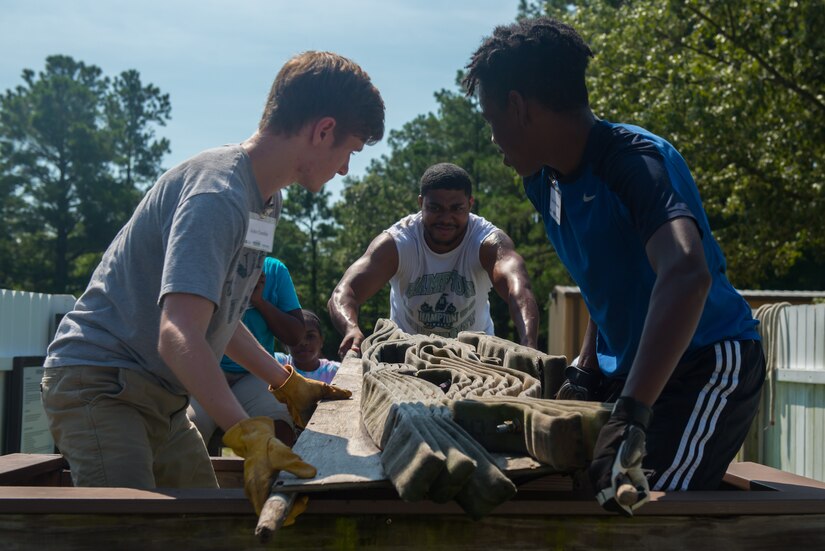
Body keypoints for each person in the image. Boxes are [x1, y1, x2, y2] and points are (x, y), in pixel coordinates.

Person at [41, 51, 384, 514]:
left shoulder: (265, 202)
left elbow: (216, 319)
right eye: (350, 150)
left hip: (159, 398)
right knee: (130, 533)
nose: (345, 167)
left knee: (201, 527)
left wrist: (286, 383)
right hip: (103, 385)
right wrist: (249, 437)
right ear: (323, 131)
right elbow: (178, 334)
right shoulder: (218, 193)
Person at [463, 18, 765, 515]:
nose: (493, 137)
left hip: (706, 362)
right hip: (627, 370)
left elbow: (688, 273)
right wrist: (585, 367)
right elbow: (603, 283)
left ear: (517, 106)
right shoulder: (543, 182)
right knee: (567, 486)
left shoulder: (636, 162)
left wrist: (631, 412)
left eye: (491, 117)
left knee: (630, 510)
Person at [328, 162, 540, 358]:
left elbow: (519, 289)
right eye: (435, 208)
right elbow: (344, 292)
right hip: (406, 354)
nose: (446, 219)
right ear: (421, 203)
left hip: (475, 355)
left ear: (470, 204)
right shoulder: (398, 243)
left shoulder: (487, 243)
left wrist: (528, 343)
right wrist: (351, 329)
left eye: (457, 208)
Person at [188, 257, 305, 448]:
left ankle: (273, 477)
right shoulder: (203, 263)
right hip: (203, 372)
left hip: (254, 375)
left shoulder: (274, 269)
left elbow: (295, 336)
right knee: (189, 430)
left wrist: (259, 301)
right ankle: (205, 478)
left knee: (280, 428)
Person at [274, 310, 341, 385]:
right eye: (295, 336)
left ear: (321, 340)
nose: (303, 342)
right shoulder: (277, 363)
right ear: (285, 343)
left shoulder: (336, 371)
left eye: (310, 336)